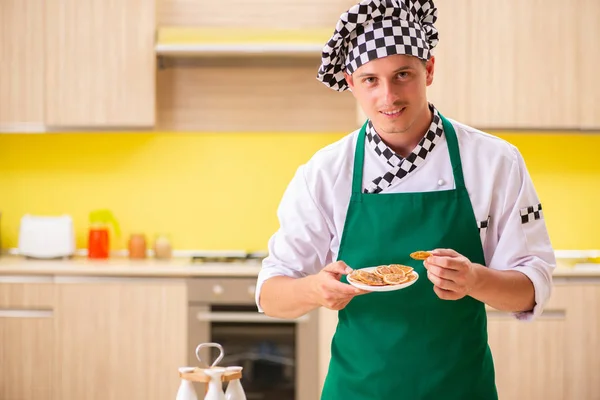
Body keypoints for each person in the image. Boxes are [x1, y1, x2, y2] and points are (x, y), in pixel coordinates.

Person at [255, 0, 556, 398]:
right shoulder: (325, 172)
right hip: (357, 390)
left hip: (461, 388)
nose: (388, 96)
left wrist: (474, 279)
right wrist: (315, 289)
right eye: (370, 80)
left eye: (402, 75)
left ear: (429, 69)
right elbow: (271, 294)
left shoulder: (493, 160)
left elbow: (533, 286)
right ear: (350, 82)